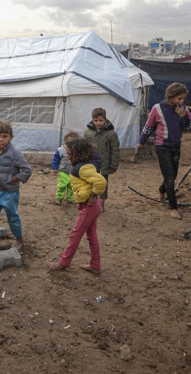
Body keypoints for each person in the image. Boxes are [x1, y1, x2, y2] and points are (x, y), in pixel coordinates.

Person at [47, 137, 106, 275]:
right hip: (91, 206)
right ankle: (95, 265)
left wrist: (92, 195)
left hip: (90, 206)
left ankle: (63, 263)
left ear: (77, 153)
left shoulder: (83, 168)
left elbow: (101, 181)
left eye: (69, 153)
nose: (67, 156)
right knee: (92, 236)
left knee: (75, 235)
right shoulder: (84, 164)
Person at [137, 82, 191, 220]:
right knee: (169, 177)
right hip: (162, 146)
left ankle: (162, 190)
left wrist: (182, 116)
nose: (181, 101)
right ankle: (173, 207)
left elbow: (190, 126)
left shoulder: (183, 109)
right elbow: (148, 127)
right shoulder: (157, 108)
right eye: (179, 98)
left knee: (172, 175)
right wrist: (141, 142)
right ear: (171, 96)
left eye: (183, 98)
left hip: (176, 146)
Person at [0, 119, 32, 255]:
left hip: (10, 193)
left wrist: (13, 179)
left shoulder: (15, 153)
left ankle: (19, 240)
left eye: (5, 136)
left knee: (12, 217)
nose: (1, 140)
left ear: (11, 137)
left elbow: (27, 170)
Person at [83, 107, 120, 211]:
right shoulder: (88, 132)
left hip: (104, 163)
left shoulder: (111, 134)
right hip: (91, 163)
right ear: (92, 120)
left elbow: (115, 150)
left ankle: (102, 202)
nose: (98, 123)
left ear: (105, 119)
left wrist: (114, 165)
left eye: (101, 120)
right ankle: (91, 200)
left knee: (103, 183)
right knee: (90, 181)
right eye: (96, 120)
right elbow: (84, 147)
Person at [51, 131, 79, 205]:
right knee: (62, 185)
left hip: (73, 172)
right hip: (63, 171)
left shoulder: (77, 150)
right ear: (65, 141)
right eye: (68, 141)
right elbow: (55, 160)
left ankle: (70, 198)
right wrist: (54, 169)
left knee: (72, 186)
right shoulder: (60, 150)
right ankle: (59, 198)